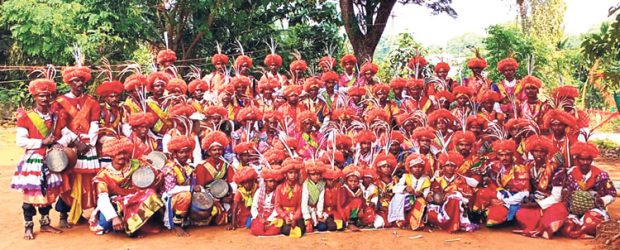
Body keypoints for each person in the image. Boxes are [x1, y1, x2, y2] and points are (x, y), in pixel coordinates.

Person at [12, 78, 73, 240]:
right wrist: (42, 142)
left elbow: (67, 134)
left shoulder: (56, 117)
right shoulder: (26, 117)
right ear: (35, 97)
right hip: (35, 160)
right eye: (41, 96)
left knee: (48, 194)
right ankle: (28, 226)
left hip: (52, 159)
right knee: (31, 195)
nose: (44, 99)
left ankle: (45, 223)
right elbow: (20, 141)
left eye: (47, 95)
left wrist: (60, 143)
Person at [54, 63, 101, 227]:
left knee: (89, 180)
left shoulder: (92, 102)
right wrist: (76, 141)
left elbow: (95, 123)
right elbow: (61, 124)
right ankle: (63, 215)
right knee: (69, 178)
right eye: (75, 81)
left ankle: (82, 212)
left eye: (81, 80)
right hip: (71, 144)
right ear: (69, 82)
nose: (79, 84)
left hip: (89, 145)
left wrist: (89, 142)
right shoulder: (60, 102)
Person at [89, 137, 163, 236]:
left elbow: (153, 168)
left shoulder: (135, 163)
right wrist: (114, 217)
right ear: (111, 155)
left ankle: (140, 225)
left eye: (124, 153)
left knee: (150, 193)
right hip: (116, 204)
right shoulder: (103, 175)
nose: (122, 156)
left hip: (135, 200)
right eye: (118, 154)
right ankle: (126, 223)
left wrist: (159, 174)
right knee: (104, 226)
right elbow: (102, 199)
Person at [514, 135, 567, 239]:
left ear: (547, 152)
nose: (538, 154)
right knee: (521, 213)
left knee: (555, 213)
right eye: (535, 151)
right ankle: (535, 228)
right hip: (535, 201)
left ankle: (541, 229)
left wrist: (538, 204)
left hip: (552, 202)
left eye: (542, 151)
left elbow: (557, 197)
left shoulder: (556, 169)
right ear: (531, 152)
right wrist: (527, 201)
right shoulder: (528, 166)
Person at [562, 142, 617, 239]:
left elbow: (612, 194)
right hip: (573, 212)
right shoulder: (570, 173)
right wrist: (566, 194)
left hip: (594, 210)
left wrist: (602, 200)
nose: (585, 162)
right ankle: (581, 232)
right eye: (582, 159)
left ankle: (580, 231)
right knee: (566, 224)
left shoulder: (601, 175)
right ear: (577, 159)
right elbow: (564, 190)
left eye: (588, 159)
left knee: (591, 221)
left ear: (592, 160)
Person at [427, 152, 478, 233]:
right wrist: (433, 195)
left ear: (456, 167)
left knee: (454, 197)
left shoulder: (461, 179)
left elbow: (468, 196)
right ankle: (446, 223)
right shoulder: (438, 180)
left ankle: (454, 225)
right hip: (442, 206)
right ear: (443, 167)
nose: (450, 168)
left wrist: (453, 193)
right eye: (447, 165)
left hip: (457, 207)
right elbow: (434, 194)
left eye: (452, 166)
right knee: (430, 212)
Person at [160, 135, 195, 236]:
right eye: (181, 152)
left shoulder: (188, 166)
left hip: (179, 197)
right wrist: (191, 188)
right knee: (186, 195)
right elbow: (170, 190)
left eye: (186, 152)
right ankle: (176, 225)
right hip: (169, 199)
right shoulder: (170, 168)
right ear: (175, 154)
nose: (184, 155)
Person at [388, 153, 431, 230]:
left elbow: (426, 192)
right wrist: (405, 188)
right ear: (410, 168)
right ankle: (401, 221)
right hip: (406, 200)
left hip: (418, 200)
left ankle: (415, 223)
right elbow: (395, 188)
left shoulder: (426, 179)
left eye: (420, 167)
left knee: (420, 201)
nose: (417, 169)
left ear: (423, 168)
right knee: (398, 197)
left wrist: (422, 194)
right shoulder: (405, 176)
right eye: (415, 167)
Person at [275, 158, 305, 237]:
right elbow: (277, 206)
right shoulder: (279, 188)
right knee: (285, 230)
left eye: (295, 173)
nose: (293, 175)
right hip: (284, 215)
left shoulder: (300, 188)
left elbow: (300, 206)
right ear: (285, 174)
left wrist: (295, 218)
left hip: (295, 214)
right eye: (290, 173)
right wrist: (285, 217)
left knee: (302, 228)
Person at [250, 167, 283, 236]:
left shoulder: (278, 192)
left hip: (272, 217)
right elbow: (254, 207)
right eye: (270, 181)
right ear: (265, 181)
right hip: (260, 216)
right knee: (256, 229)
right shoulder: (259, 191)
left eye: (274, 181)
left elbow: (277, 208)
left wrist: (269, 220)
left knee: (275, 229)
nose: (273, 184)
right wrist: (260, 218)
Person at [301, 161, 327, 232]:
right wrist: (307, 217)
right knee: (307, 228)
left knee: (322, 227)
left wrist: (319, 215)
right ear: (309, 175)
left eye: (318, 174)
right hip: (307, 209)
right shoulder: (306, 184)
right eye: (313, 174)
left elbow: (321, 200)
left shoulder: (322, 184)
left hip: (316, 210)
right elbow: (304, 201)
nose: (316, 176)